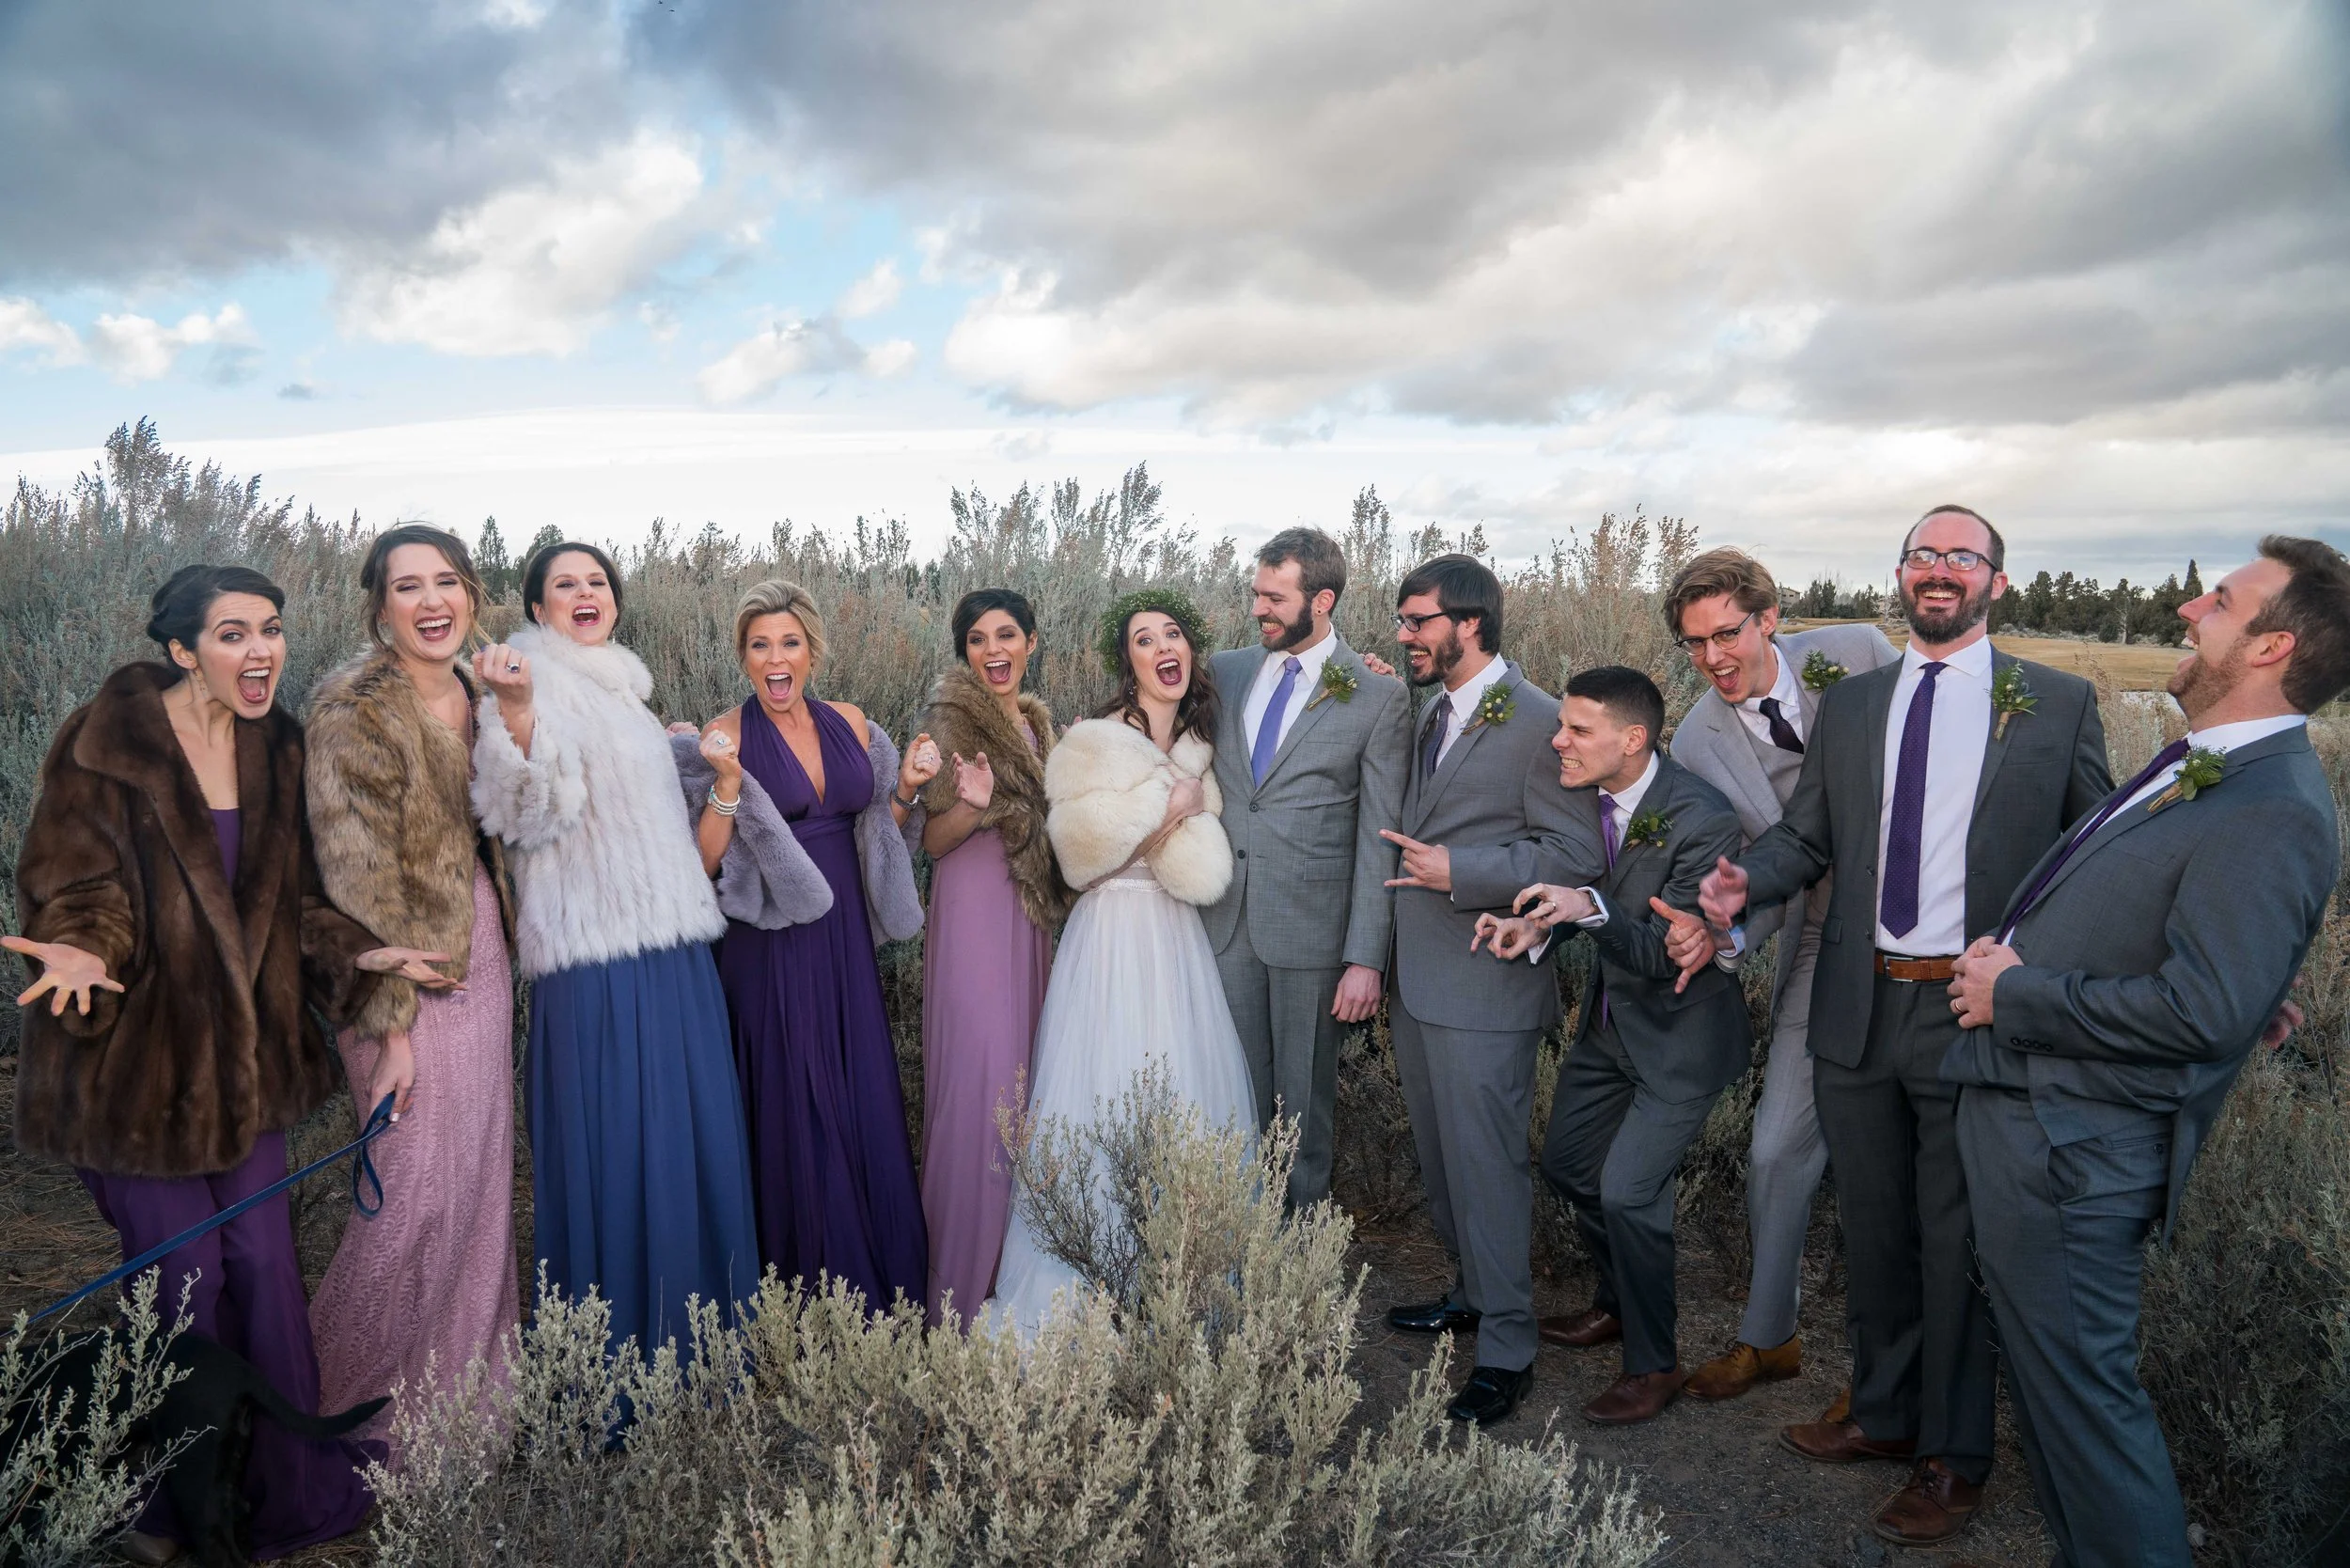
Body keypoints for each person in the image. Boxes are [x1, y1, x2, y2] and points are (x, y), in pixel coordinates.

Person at [8, 564, 455, 1561]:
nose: (261, 652)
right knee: (185, 1280)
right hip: (131, 1071)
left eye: (272, 630)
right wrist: (83, 944)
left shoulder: (278, 746)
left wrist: (357, 953)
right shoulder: (105, 746)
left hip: (244, 1070)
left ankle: (289, 1496)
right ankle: (161, 1513)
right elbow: (73, 883)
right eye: (232, 635)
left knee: (261, 1266)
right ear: (180, 650)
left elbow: (292, 903)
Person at [1694, 506, 2109, 1547]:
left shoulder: (2054, 704)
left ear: (1994, 583)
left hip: (1970, 1017)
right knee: (1872, 1231)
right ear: (1899, 574)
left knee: (1951, 1239)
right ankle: (1882, 1416)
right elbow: (1805, 835)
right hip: (1856, 1002)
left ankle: (1953, 1457)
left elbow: (2095, 858)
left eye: (1960, 557)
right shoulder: (1857, 703)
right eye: (1922, 555)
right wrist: (1744, 887)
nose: (1938, 570)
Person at [1941, 538, 2349, 1568]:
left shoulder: (2271, 804)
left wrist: (2017, 991)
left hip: (2073, 1155)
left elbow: (2198, 1011)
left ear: (2272, 646)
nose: (2183, 609)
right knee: (2053, 1401)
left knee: (2087, 1415)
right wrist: (2244, 993)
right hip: (2039, 1128)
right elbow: (2213, 982)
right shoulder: (2207, 768)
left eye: (2219, 599)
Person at [470, 542, 759, 1357]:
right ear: (537, 609)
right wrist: (518, 714)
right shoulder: (530, 680)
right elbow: (526, 815)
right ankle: (624, 1355)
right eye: (564, 585)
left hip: (673, 948)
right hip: (598, 956)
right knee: (624, 1152)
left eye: (597, 581)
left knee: (686, 1142)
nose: (584, 593)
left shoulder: (623, 692)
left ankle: (698, 1344)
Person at [1474, 666, 1752, 1426]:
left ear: (1633, 740)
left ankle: (1654, 1363)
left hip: (1681, 1038)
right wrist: (1536, 923)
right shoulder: (1580, 793)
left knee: (1630, 1191)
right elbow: (1571, 886)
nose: (1558, 740)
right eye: (1561, 725)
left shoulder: (1703, 818)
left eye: (1577, 730)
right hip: (1607, 1026)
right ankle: (1619, 1301)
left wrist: (1587, 908)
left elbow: (1669, 954)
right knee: (1568, 1166)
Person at [1656, 549, 1897, 1403]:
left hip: (1934, 933)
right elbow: (1746, 866)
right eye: (1695, 644)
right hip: (1815, 941)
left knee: (1921, 1164)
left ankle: (1900, 1382)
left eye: (1728, 633)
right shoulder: (1693, 739)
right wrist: (1714, 932)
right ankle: (1771, 1337)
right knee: (1773, 1150)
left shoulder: (1863, 652)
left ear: (1769, 619)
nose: (1715, 658)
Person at [986, 588, 1256, 1335]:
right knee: (1104, 1091)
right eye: (1144, 638)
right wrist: (1168, 814)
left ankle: (1178, 1287)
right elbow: (1080, 864)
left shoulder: (1202, 740)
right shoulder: (1095, 741)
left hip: (1176, 939)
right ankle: (1087, 1290)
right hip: (1111, 936)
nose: (1163, 646)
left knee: (1185, 1096)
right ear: (1127, 661)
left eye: (1174, 634)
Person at [305, 525, 521, 1451]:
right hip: (396, 974)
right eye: (408, 586)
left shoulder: (483, 686)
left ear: (471, 592)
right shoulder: (351, 707)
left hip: (482, 950)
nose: (433, 602)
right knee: (412, 1190)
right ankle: (346, 1415)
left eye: (447, 582)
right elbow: (352, 884)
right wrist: (388, 1026)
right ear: (377, 605)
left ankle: (468, 1411)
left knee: (479, 1185)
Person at [1376, 553, 1602, 1427]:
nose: (1404, 636)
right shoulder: (1433, 708)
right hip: (1419, 981)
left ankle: (1508, 1350)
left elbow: (1578, 858)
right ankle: (1471, 1294)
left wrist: (1460, 870)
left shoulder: (1544, 723)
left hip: (1488, 983)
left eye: (1417, 620)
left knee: (1490, 1169)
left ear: (1469, 623)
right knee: (1443, 1164)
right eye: (1402, 621)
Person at [683, 579, 932, 1315]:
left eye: (788, 642)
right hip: (770, 945)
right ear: (743, 656)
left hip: (845, 937)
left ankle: (880, 1277)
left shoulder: (853, 723)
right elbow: (702, 859)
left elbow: (878, 827)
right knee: (793, 1098)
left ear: (812, 649)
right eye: (759, 645)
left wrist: (911, 787)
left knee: (857, 1091)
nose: (775, 658)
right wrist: (725, 781)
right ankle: (804, 1294)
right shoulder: (725, 731)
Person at [1203, 527, 1410, 1209]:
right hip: (1223, 924)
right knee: (1230, 1096)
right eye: (1255, 593)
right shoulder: (1225, 671)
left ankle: (1294, 1265)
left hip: (1312, 939)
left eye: (1273, 597)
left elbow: (1380, 834)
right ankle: (1230, 1249)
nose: (1257, 609)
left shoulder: (1379, 696)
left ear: (1321, 600)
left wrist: (1365, 959)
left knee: (1303, 1112)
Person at [906, 588, 1070, 1325]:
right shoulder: (952, 720)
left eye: (1008, 635)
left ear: (1032, 643)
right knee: (980, 1095)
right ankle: (961, 1290)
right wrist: (971, 805)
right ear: (964, 653)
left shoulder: (1038, 725)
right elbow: (933, 843)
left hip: (1030, 921)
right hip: (975, 919)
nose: (994, 650)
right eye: (977, 639)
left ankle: (1021, 1273)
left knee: (1029, 1087)